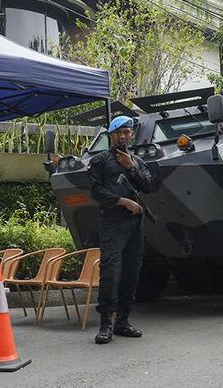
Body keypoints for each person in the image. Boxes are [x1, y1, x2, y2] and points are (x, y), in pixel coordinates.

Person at [88, 115, 154, 345]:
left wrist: (131, 167)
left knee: (132, 272)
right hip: (113, 222)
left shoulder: (136, 161)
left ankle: (122, 321)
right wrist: (122, 201)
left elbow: (148, 185)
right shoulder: (101, 161)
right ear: (112, 135)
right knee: (111, 272)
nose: (125, 136)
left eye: (128, 132)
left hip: (136, 224)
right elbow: (95, 191)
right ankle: (106, 324)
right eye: (120, 133)